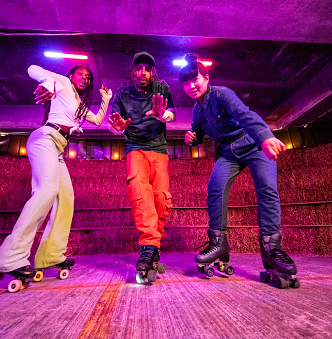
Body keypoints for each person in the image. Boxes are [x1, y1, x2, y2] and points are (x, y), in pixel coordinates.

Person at [0, 64, 112, 291]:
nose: (84, 77)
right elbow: (31, 69)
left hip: (57, 148)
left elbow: (99, 121)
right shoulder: (60, 82)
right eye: (80, 74)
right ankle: (10, 257)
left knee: (66, 198)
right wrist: (49, 85)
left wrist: (106, 99)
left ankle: (50, 255)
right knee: (47, 191)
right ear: (70, 76)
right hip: (44, 139)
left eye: (88, 76)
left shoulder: (79, 104)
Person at [180, 54, 298, 287]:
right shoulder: (196, 110)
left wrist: (264, 137)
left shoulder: (222, 94)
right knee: (215, 188)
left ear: (206, 77)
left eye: (195, 79)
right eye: (185, 83)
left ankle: (272, 249)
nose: (191, 86)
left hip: (253, 143)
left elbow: (246, 115)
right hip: (228, 152)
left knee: (267, 190)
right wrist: (192, 138)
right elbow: (198, 132)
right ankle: (219, 243)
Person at [108, 52, 176, 282]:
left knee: (161, 200)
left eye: (147, 68)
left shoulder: (162, 88)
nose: (143, 72)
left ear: (152, 72)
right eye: (139, 68)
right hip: (134, 147)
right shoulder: (122, 93)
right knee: (139, 192)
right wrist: (117, 128)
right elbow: (113, 124)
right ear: (133, 71)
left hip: (159, 148)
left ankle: (155, 246)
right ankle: (148, 245)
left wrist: (162, 115)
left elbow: (173, 115)